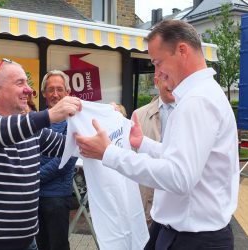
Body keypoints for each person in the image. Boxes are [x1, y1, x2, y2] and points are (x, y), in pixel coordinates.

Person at [75, 20, 239, 250]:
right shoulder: (204, 95)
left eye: (158, 61)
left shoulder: (196, 101)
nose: (157, 72)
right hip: (185, 233)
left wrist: (109, 153)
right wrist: (144, 144)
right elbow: (188, 161)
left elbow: (179, 177)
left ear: (182, 50)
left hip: (191, 239)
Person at [0, 59, 81, 250]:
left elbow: (69, 148)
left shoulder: (29, 127)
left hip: (27, 242)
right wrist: (47, 116)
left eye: (27, 83)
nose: (29, 90)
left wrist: (100, 120)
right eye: (20, 83)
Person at [36, 70, 78, 250]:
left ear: (67, 93)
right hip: (34, 196)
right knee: (40, 244)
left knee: (58, 245)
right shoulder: (37, 119)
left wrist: (34, 177)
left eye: (59, 89)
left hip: (57, 197)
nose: (55, 94)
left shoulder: (75, 121)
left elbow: (66, 160)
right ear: (44, 93)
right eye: (50, 89)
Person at [134, 77, 175, 228]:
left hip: (177, 204)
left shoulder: (192, 114)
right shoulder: (138, 115)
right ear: (156, 81)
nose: (171, 83)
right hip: (146, 202)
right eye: (165, 79)